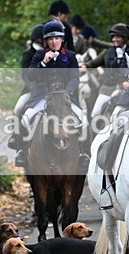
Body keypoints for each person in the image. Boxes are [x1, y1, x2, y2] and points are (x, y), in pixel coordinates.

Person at [15, 20, 86, 168]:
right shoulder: (39, 55)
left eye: (56, 38)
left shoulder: (71, 56)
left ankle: (83, 153)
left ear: (62, 39)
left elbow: (75, 77)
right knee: (25, 119)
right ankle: (22, 151)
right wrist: (43, 63)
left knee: (83, 120)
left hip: (65, 96)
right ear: (46, 41)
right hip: (43, 95)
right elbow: (30, 75)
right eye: (50, 39)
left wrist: (68, 93)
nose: (54, 42)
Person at [8, 24, 45, 165]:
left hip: (48, 90)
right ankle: (18, 144)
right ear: (38, 39)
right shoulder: (28, 54)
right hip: (31, 90)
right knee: (18, 109)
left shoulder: (49, 53)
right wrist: (35, 89)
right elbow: (26, 75)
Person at [81, 23, 129, 119]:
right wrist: (84, 66)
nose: (114, 40)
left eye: (118, 37)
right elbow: (93, 63)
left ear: (125, 38)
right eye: (113, 37)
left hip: (126, 88)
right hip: (108, 88)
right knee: (95, 114)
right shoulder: (107, 52)